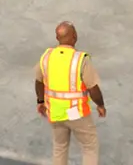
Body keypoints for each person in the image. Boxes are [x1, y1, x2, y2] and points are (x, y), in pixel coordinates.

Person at [35, 21, 106, 165]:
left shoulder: (47, 56)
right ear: (75, 36)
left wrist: (40, 102)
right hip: (76, 113)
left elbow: (39, 81)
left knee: (60, 147)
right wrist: (100, 105)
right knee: (89, 147)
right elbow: (93, 88)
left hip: (55, 112)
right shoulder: (80, 59)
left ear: (57, 37)